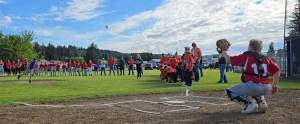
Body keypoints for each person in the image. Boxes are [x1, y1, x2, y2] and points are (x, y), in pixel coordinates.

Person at [220, 39, 280, 114]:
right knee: (250, 85)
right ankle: (261, 102)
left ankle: (250, 103)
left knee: (228, 92)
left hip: (253, 86)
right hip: (267, 87)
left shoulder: (247, 56)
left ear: (251, 47)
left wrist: (222, 51)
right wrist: (274, 85)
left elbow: (229, 60)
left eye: (249, 46)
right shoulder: (266, 58)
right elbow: (277, 70)